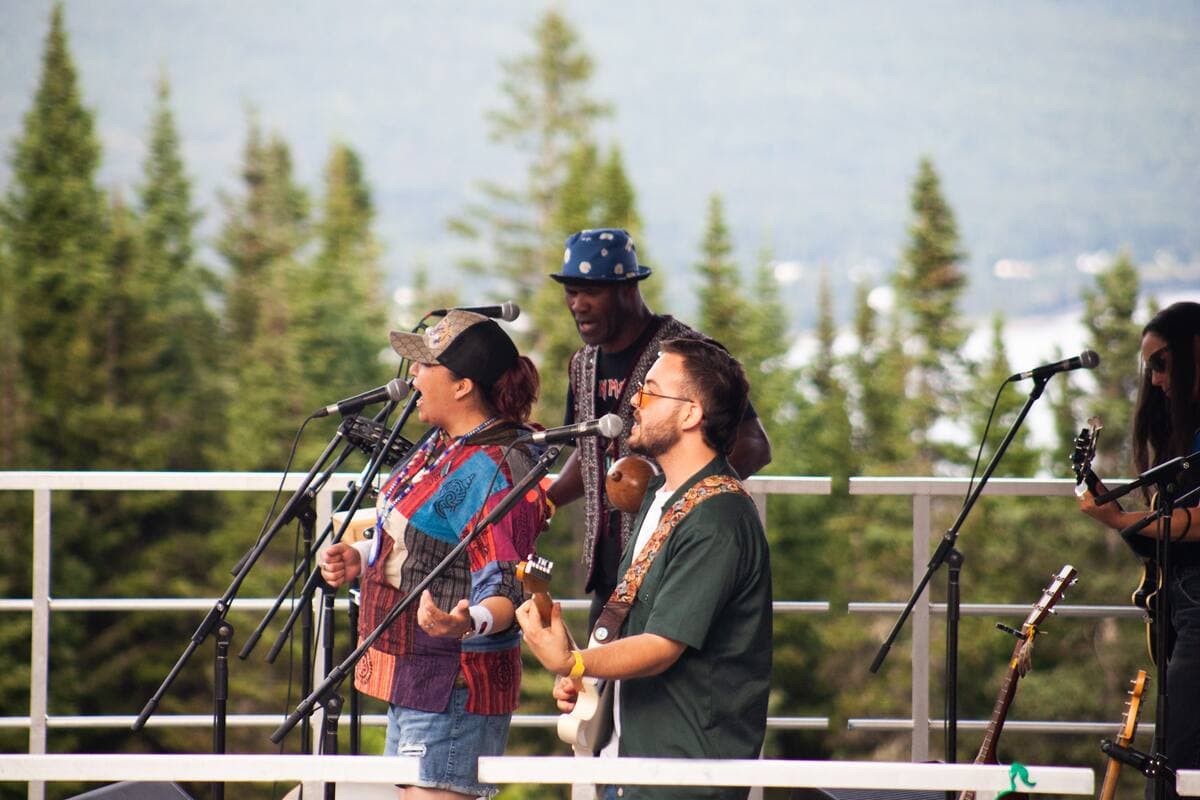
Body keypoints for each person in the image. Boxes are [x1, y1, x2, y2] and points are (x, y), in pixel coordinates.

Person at [518, 337, 773, 800]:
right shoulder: (663, 497)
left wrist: (572, 660)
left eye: (651, 391)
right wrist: (589, 673)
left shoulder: (718, 518)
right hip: (634, 761)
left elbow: (661, 646)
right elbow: (638, 624)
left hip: (684, 778)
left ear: (691, 414)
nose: (635, 400)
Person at [319, 310, 551, 800]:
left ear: (463, 385)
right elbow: (428, 537)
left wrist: (467, 623)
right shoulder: (445, 443)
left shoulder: (497, 467)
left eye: (425, 367)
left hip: (456, 684)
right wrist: (363, 556)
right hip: (419, 677)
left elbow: (506, 585)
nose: (412, 377)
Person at [546, 228, 772, 626]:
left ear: (628, 289)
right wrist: (544, 501)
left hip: (673, 562)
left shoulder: (686, 354)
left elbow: (754, 444)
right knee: (604, 679)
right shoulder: (582, 364)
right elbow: (590, 460)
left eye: (591, 292)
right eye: (571, 292)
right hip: (610, 571)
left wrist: (678, 499)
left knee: (656, 676)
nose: (578, 304)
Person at [1077, 300, 1200, 799]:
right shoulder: (1185, 434)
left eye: (1161, 363)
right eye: (1149, 367)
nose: (1154, 379)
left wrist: (1126, 519)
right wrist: (1128, 522)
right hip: (1182, 607)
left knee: (1173, 759)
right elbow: (1168, 534)